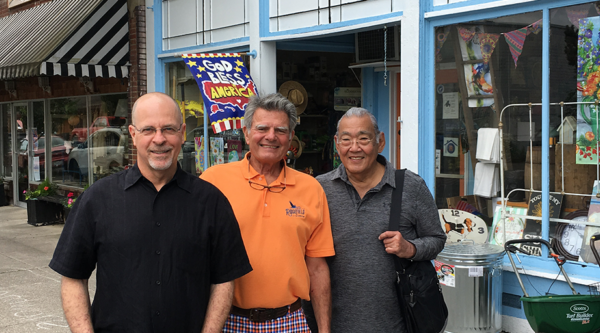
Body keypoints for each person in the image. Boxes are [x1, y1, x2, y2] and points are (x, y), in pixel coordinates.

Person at [49, 92, 252, 332]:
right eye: (148, 130)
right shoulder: (98, 199)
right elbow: (73, 276)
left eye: (168, 129)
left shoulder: (211, 201)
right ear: (133, 135)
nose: (159, 139)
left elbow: (224, 280)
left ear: (182, 132)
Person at [200, 93, 335, 333]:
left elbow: (316, 267)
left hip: (289, 321)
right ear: (246, 133)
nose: (271, 136)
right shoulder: (213, 181)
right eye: (262, 128)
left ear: (291, 137)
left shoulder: (311, 188)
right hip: (227, 320)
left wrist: (324, 330)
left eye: (281, 130)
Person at [306, 107, 447, 332]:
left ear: (380, 141)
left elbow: (437, 239)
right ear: (336, 143)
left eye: (364, 139)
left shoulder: (410, 186)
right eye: (346, 140)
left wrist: (410, 248)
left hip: (397, 324)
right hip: (332, 325)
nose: (355, 148)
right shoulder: (318, 189)